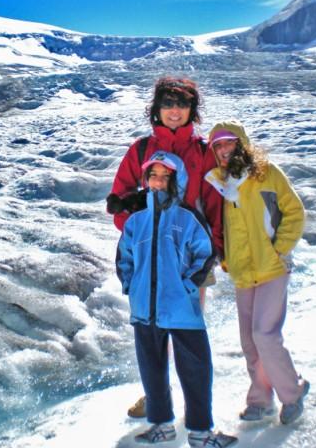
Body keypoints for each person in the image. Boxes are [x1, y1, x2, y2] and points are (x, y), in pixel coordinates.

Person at [106, 76, 220, 417]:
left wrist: (211, 247)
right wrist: (138, 236)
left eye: (182, 104)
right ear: (156, 109)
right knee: (153, 328)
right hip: (148, 257)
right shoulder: (140, 150)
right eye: (168, 104)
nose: (174, 111)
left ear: (192, 111)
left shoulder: (202, 151)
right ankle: (156, 398)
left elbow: (213, 201)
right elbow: (122, 197)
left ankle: (192, 402)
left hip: (188, 258)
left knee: (184, 327)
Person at [116, 151, 238, 447]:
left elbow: (204, 253)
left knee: (195, 367)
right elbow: (124, 258)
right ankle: (161, 425)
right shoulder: (136, 221)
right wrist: (132, 287)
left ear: (176, 181)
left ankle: (200, 431)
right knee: (152, 368)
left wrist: (186, 285)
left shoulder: (186, 218)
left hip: (181, 308)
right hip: (145, 310)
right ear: (146, 181)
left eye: (165, 177)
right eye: (153, 176)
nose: (158, 182)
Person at [202, 120, 309, 425]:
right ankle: (260, 399)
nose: (223, 150)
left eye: (229, 142)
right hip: (242, 272)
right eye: (217, 146)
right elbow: (221, 226)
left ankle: (293, 393)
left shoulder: (267, 173)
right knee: (249, 340)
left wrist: (280, 248)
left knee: (265, 334)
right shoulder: (219, 182)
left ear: (242, 143)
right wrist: (227, 259)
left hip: (272, 267)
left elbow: (294, 211)